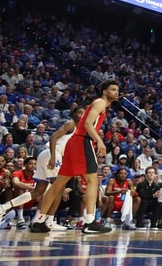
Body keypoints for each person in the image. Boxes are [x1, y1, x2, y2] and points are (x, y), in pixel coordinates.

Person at [30, 79, 120, 234]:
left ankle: (39, 221)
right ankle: (90, 222)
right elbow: (87, 125)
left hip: (74, 143)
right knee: (92, 180)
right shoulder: (99, 103)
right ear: (105, 91)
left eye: (117, 90)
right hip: (82, 141)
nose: (116, 92)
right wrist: (100, 141)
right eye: (113, 89)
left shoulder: (101, 105)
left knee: (58, 184)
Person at [0, 106, 84, 231]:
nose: (81, 115)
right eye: (79, 112)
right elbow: (53, 137)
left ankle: (3, 207)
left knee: (38, 191)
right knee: (59, 189)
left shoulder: (80, 131)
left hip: (46, 154)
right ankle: (49, 220)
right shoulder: (71, 124)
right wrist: (54, 156)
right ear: (74, 114)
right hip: (52, 154)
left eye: (84, 113)